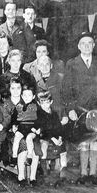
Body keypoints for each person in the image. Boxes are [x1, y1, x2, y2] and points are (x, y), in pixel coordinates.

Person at [62, 32, 97, 184]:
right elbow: (66, 88)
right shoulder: (71, 63)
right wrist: (70, 109)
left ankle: (93, 174)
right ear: (78, 46)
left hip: (96, 109)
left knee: (95, 142)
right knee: (84, 141)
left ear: (94, 45)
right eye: (83, 43)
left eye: (90, 43)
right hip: (80, 110)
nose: (87, 46)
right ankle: (83, 174)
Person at [36, 91, 68, 183]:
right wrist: (53, 139)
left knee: (62, 149)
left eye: (47, 102)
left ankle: (63, 173)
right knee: (44, 147)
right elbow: (44, 129)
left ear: (51, 102)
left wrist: (60, 138)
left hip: (55, 136)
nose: (45, 105)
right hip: (44, 136)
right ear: (39, 103)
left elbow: (59, 127)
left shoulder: (54, 114)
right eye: (42, 103)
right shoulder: (39, 114)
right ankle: (45, 173)